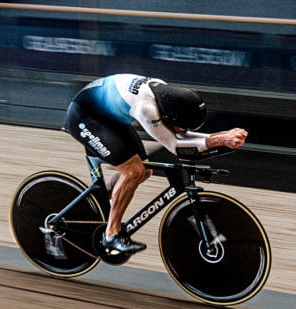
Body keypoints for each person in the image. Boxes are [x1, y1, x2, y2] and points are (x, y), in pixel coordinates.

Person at [65, 74, 248, 256]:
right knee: (133, 172)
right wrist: (221, 139)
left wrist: (223, 136)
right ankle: (111, 235)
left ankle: (102, 200)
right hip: (84, 116)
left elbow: (181, 135)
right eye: (181, 125)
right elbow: (176, 146)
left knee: (145, 171)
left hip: (109, 116)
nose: (182, 130)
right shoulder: (147, 108)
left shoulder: (166, 97)